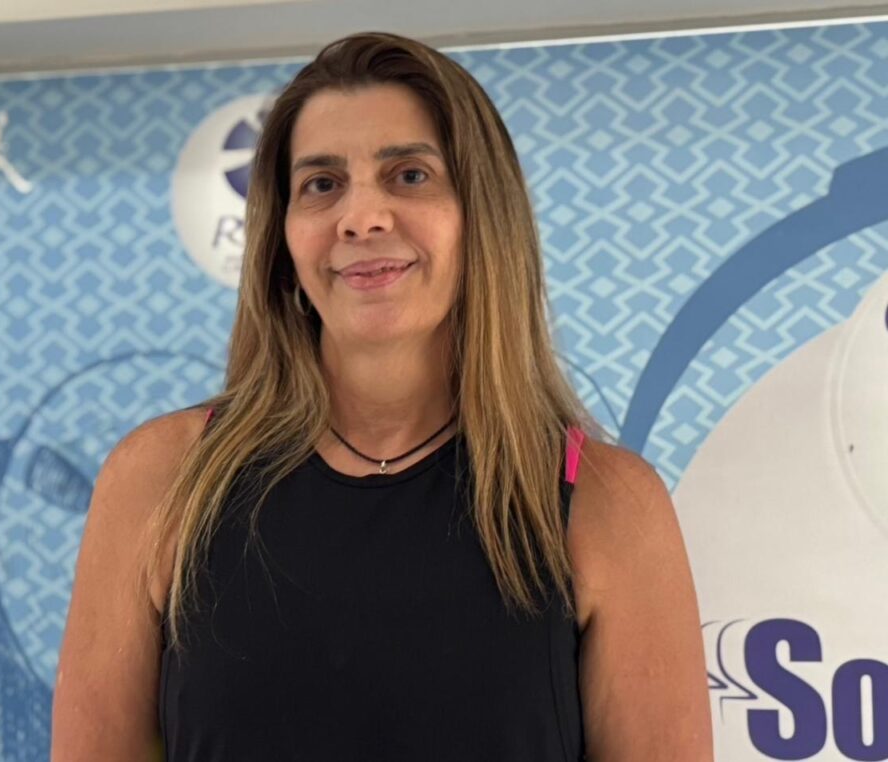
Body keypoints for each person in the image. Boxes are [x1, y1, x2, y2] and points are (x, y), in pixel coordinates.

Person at [51, 31, 713, 761]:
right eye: (322, 184)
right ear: (282, 238)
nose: (361, 216)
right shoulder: (163, 479)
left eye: (409, 175)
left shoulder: (607, 505)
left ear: (482, 216)